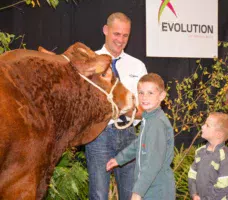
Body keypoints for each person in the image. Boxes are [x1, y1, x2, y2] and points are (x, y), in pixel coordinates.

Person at [85, 12, 147, 200]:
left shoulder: (137, 66)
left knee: (131, 195)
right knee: (99, 195)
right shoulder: (88, 62)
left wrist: (128, 109)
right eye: (116, 34)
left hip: (129, 135)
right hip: (98, 134)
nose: (120, 40)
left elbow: (143, 111)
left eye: (125, 35)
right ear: (105, 30)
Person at [106, 73, 175, 200]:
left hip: (157, 191)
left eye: (150, 93)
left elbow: (152, 163)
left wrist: (138, 192)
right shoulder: (149, 118)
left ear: (162, 96)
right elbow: (139, 144)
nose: (144, 97)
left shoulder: (156, 124)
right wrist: (119, 159)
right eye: (141, 93)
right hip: (150, 188)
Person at [188, 112, 228, 200]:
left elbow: (223, 185)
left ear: (218, 134)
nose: (202, 127)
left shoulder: (226, 157)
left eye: (207, 125)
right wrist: (194, 194)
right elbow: (192, 174)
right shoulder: (200, 152)